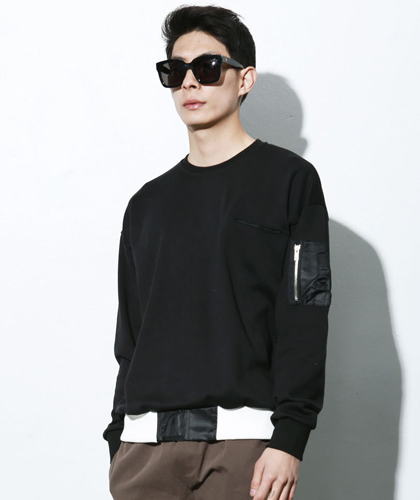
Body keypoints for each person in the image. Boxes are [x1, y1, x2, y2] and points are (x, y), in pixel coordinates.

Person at [102, 5, 332, 500]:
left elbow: (305, 313)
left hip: (243, 447)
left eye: (207, 68)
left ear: (244, 79)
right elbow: (131, 335)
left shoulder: (288, 181)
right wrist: (117, 439)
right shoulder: (145, 205)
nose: (189, 82)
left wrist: (290, 438)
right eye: (175, 70)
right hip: (143, 451)